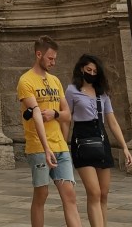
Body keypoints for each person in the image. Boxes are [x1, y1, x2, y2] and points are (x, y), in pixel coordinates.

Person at [17, 35, 83, 227]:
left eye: (54, 58)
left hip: (60, 145)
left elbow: (67, 115)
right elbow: (36, 113)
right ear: (39, 54)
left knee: (70, 195)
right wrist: (46, 149)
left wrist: (55, 113)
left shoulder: (55, 81)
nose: (53, 62)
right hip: (39, 147)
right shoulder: (26, 81)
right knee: (42, 194)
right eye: (50, 58)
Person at [66, 55, 132, 227]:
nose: (91, 73)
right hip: (82, 141)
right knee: (94, 193)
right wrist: (63, 144)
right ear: (81, 69)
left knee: (103, 193)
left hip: (101, 140)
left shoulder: (102, 93)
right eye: (88, 70)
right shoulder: (72, 90)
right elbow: (66, 118)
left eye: (95, 71)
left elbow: (112, 121)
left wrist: (124, 147)